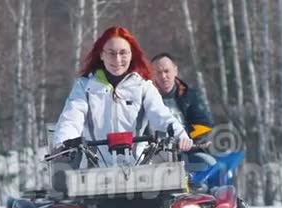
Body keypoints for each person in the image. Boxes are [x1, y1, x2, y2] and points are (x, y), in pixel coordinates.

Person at [53, 26, 193, 167]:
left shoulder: (143, 86)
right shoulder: (85, 87)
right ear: (102, 54)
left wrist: (179, 134)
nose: (117, 59)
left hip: (137, 167)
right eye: (111, 53)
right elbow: (71, 117)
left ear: (131, 54)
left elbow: (161, 115)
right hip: (95, 169)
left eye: (123, 53)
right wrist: (64, 142)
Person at [151, 52, 216, 170]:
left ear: (175, 71)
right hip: (154, 155)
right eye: (158, 72)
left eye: (166, 71)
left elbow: (204, 125)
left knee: (211, 165)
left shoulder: (190, 96)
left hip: (188, 151)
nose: (163, 76)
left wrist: (188, 140)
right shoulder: (146, 99)